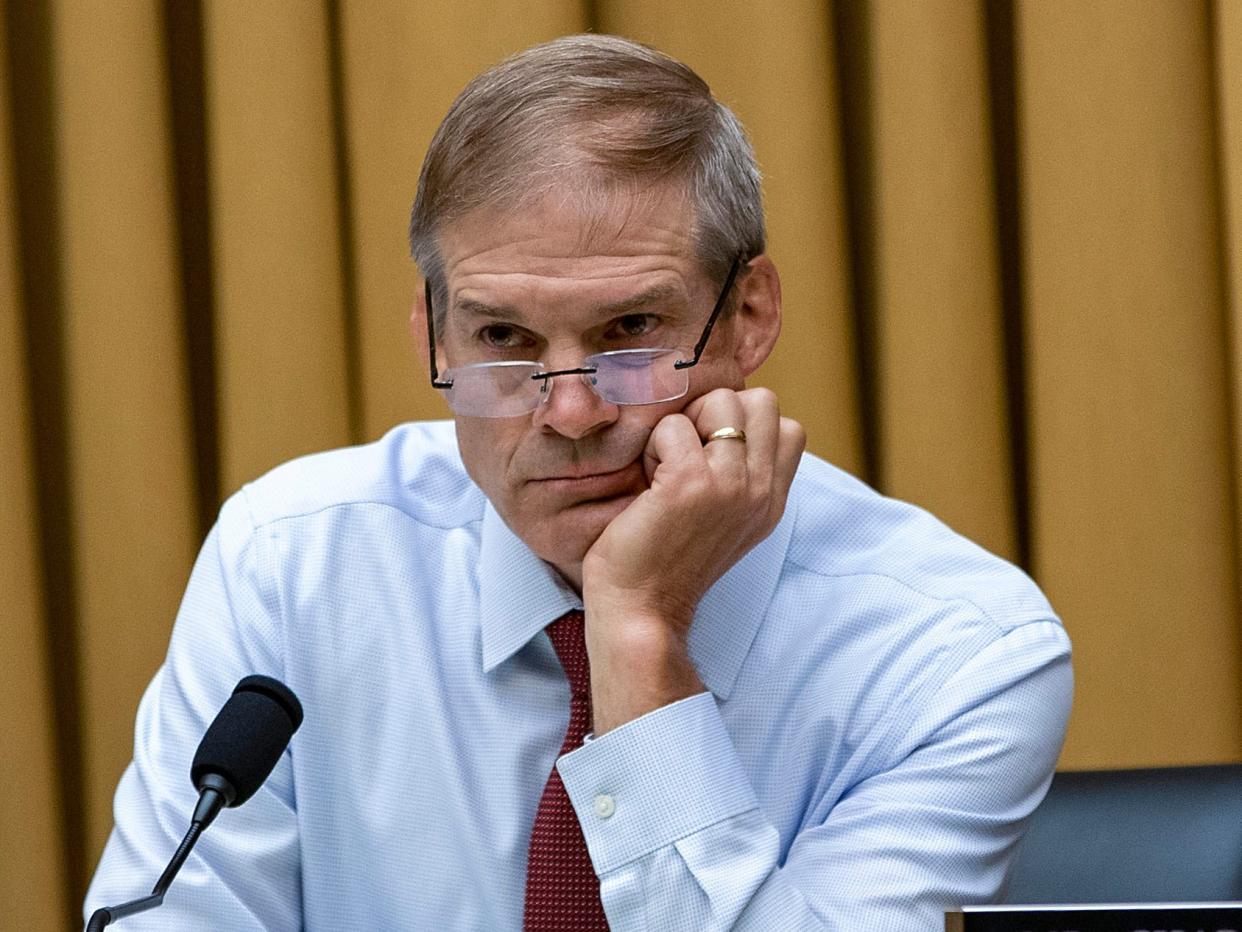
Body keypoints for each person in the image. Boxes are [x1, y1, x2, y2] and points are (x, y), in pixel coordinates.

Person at [85, 34, 1071, 930]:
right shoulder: (292, 561)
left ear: (749, 316)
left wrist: (639, 633)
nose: (570, 413)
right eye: (503, 339)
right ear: (433, 334)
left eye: (630, 332)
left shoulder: (958, 650)